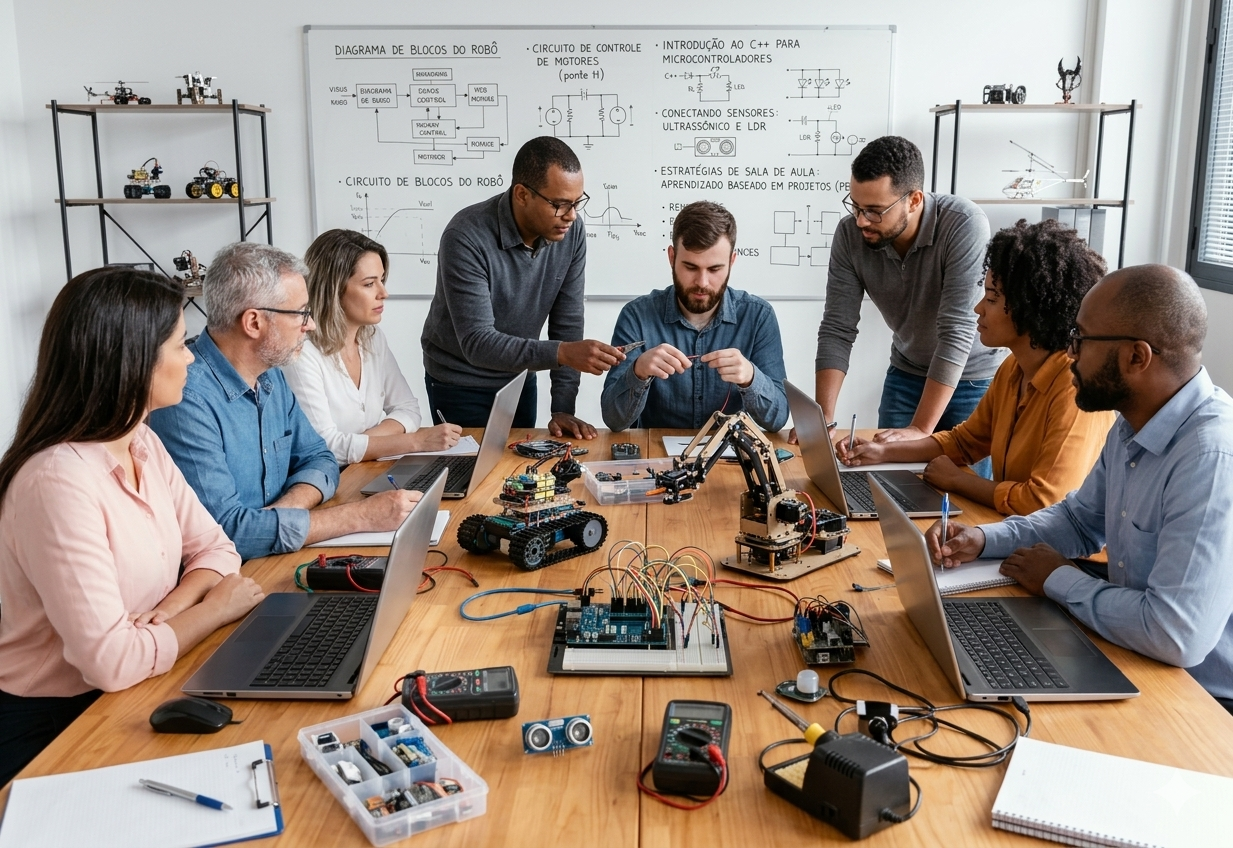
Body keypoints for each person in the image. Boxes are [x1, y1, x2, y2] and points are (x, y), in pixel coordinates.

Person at [0, 268, 266, 786]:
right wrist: (214, 609)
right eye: (178, 344)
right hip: (54, 727)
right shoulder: (57, 481)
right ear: (130, 359)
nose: (191, 356)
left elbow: (217, 548)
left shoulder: (141, 440)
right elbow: (112, 662)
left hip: (133, 689)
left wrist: (169, 610)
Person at [931, 265, 1233, 709]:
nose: (1070, 353)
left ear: (1136, 357)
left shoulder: (1210, 458)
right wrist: (981, 539)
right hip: (1130, 649)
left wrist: (1058, 579)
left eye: (1081, 339)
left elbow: (1176, 635)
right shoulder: (1133, 423)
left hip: (1198, 696)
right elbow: (1078, 520)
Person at [148, 243, 420, 561]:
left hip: (277, 555)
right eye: (301, 313)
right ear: (253, 323)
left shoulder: (270, 374)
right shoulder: (186, 400)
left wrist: (283, 512)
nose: (311, 324)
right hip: (232, 575)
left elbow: (320, 459)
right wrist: (358, 517)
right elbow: (227, 532)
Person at [838, 219, 1115, 515]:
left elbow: (1043, 501)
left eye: (992, 298)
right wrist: (881, 452)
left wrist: (957, 480)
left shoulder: (1073, 387)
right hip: (1021, 534)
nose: (978, 308)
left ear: (1030, 306)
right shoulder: (1013, 369)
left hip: (1069, 557)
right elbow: (964, 442)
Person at [810, 135, 1003, 476]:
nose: (861, 221)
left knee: (966, 496)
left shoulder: (963, 223)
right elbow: (837, 327)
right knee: (889, 487)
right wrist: (824, 418)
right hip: (907, 371)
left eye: (874, 211)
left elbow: (956, 329)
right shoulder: (849, 235)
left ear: (914, 200)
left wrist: (920, 430)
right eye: (855, 206)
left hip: (973, 381)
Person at [420, 136, 624, 439]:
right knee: (471, 480)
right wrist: (564, 353)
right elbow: (477, 342)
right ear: (522, 195)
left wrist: (562, 408)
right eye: (560, 204)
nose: (571, 215)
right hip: (459, 383)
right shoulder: (465, 236)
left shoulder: (570, 232)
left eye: (577, 202)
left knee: (519, 474)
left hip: (518, 378)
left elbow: (567, 322)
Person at [601, 200, 788, 431]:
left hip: (730, 460)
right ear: (672, 257)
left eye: (714, 269)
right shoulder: (636, 316)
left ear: (731, 261)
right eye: (690, 267)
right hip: (658, 460)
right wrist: (638, 371)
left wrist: (751, 378)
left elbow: (778, 419)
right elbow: (613, 419)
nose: (702, 282)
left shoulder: (759, 317)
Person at [283, 229, 463, 465]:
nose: (384, 293)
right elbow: (326, 446)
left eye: (382, 280)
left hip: (364, 468)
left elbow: (408, 409)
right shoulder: (302, 353)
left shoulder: (372, 337)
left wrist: (359, 443)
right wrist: (417, 441)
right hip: (328, 481)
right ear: (333, 290)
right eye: (369, 284)